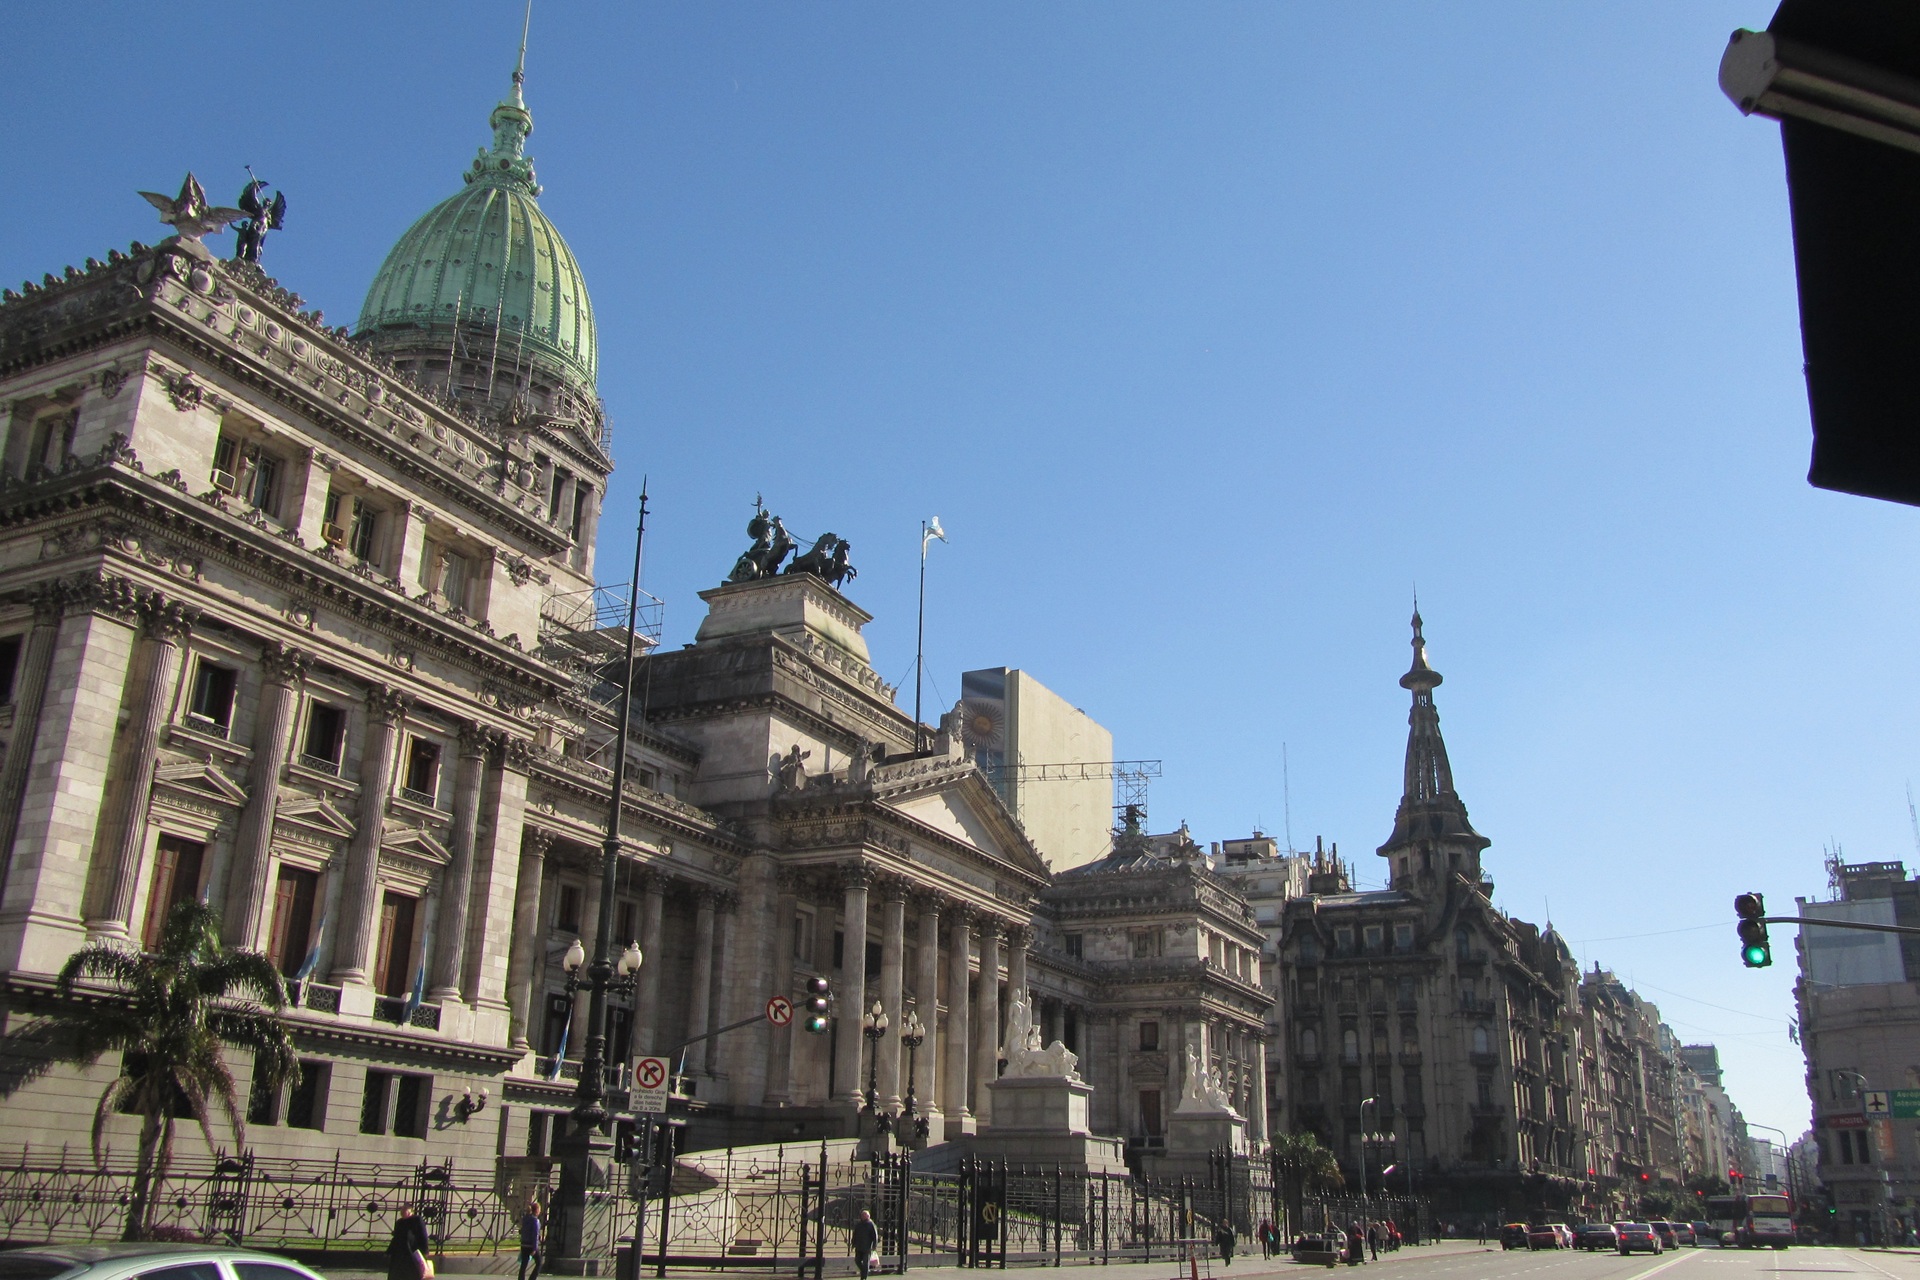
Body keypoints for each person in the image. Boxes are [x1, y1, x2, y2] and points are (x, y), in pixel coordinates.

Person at [387, 1202, 431, 1280]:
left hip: (412, 1251)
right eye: (402, 1210)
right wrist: (389, 1251)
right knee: (397, 1274)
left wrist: (425, 1250)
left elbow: (423, 1235)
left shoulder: (417, 1220)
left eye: (405, 1209)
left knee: (412, 1273)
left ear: (411, 1211)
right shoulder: (399, 1222)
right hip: (399, 1253)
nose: (402, 1212)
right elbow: (395, 1238)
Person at [517, 1199, 543, 1280]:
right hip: (531, 1245)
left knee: (524, 1264)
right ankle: (532, 1278)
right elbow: (535, 1235)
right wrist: (535, 1248)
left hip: (524, 1244)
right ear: (537, 1210)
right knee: (539, 1262)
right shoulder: (535, 1221)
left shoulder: (525, 1218)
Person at [852, 1209, 879, 1280]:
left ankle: (864, 1277)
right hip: (859, 1247)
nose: (863, 1217)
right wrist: (853, 1243)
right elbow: (855, 1234)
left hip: (867, 1247)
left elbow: (875, 1236)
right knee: (857, 1260)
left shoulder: (871, 1225)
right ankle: (864, 1271)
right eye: (862, 1215)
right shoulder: (859, 1224)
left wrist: (874, 1246)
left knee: (865, 1262)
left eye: (864, 1215)